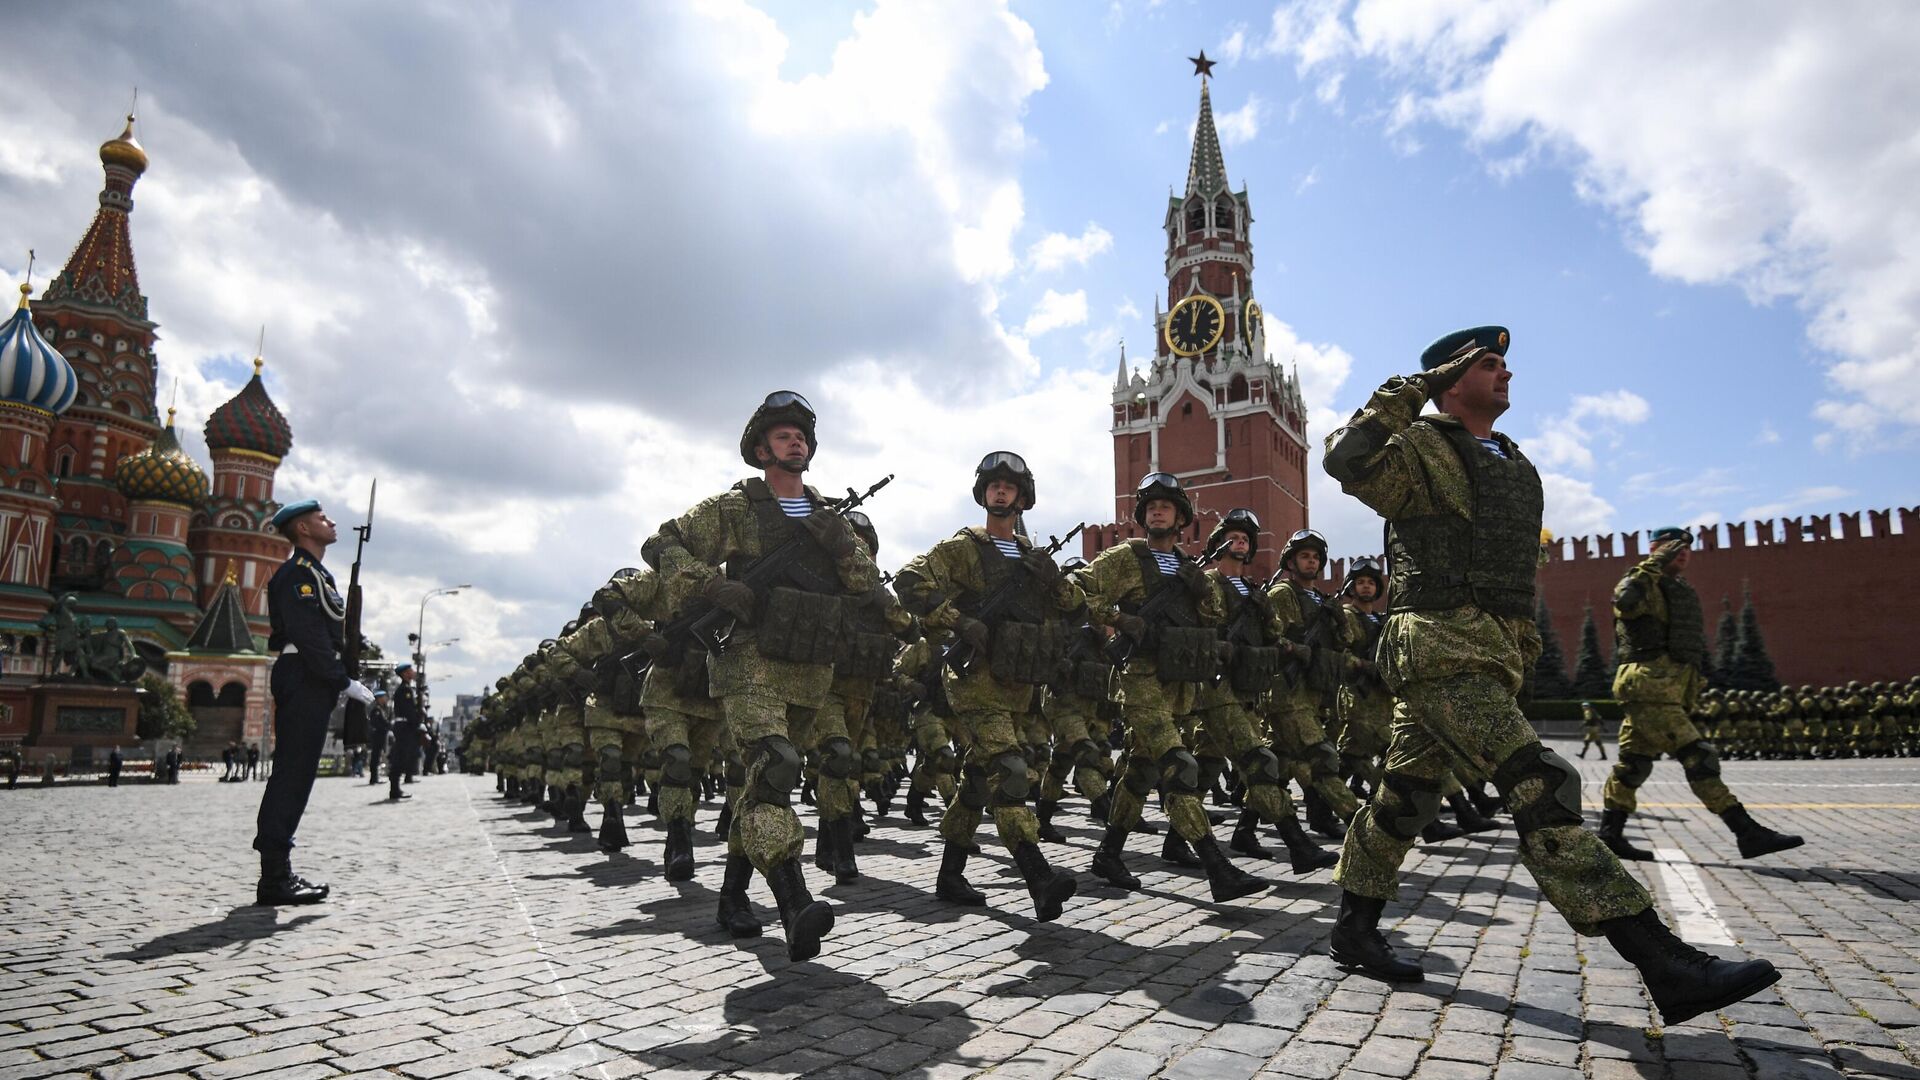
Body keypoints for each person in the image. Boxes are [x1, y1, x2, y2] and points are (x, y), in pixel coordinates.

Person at [1321, 325, 1779, 1024]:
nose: (1507, 375)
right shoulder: (1417, 446)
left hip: (1489, 654)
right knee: (1543, 783)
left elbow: (1512, 575)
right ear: (1451, 378)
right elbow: (1345, 460)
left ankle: (1353, 929)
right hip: (1439, 648)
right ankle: (1662, 959)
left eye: (1507, 364)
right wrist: (1412, 391)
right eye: (1489, 364)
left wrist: (1522, 652)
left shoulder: (1513, 462)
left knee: (1404, 798)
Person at [643, 390, 880, 961]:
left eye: (801, 435)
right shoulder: (736, 508)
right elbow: (663, 543)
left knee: (760, 787)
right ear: (760, 449)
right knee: (777, 768)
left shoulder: (831, 518)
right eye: (782, 435)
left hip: (811, 668)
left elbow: (868, 586)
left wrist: (843, 545)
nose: (795, 441)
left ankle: (730, 897)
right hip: (748, 659)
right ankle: (794, 903)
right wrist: (713, 586)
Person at [894, 451, 1083, 920]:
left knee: (978, 779)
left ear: (1023, 497)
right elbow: (910, 581)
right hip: (974, 680)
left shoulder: (1033, 559)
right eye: (994, 485)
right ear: (983, 494)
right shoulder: (963, 548)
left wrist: (1056, 582)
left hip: (1018, 683)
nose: (1001, 491)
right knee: (1011, 771)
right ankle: (1038, 875)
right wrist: (959, 622)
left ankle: (950, 873)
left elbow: (1077, 610)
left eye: (1010, 486)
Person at [1073, 472, 1268, 902]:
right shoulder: (1127, 558)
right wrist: (1121, 621)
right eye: (1150, 506)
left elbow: (1215, 616)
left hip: (1178, 684)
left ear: (1181, 517)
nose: (1157, 510)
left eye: (1167, 506)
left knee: (1140, 772)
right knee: (1181, 767)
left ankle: (1108, 853)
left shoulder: (1186, 565)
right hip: (1140, 679)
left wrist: (1203, 590)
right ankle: (1218, 867)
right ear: (1142, 515)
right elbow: (1079, 590)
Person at [1599, 526, 1802, 862]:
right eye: (1671, 546)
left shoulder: (1675, 589)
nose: (1681, 551)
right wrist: (1653, 563)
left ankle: (1610, 835)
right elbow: (1626, 599)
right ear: (1654, 548)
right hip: (1650, 688)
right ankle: (1746, 832)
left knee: (1633, 766)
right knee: (1698, 756)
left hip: (1664, 689)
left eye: (1686, 547)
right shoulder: (1641, 582)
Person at [254, 499, 372, 906]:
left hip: (310, 678)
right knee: (292, 774)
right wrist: (342, 680)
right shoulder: (298, 575)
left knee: (299, 775)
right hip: (303, 675)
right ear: (303, 529)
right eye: (322, 518)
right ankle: (274, 877)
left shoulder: (318, 574)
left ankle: (277, 872)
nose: (332, 521)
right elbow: (309, 636)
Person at [389, 663, 423, 802]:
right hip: (404, 726)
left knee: (403, 756)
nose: (413, 672)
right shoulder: (404, 690)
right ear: (404, 674)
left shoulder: (407, 688)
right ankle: (395, 789)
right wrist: (417, 724)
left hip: (404, 726)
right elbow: (409, 711)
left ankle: (396, 788)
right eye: (410, 671)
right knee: (400, 757)